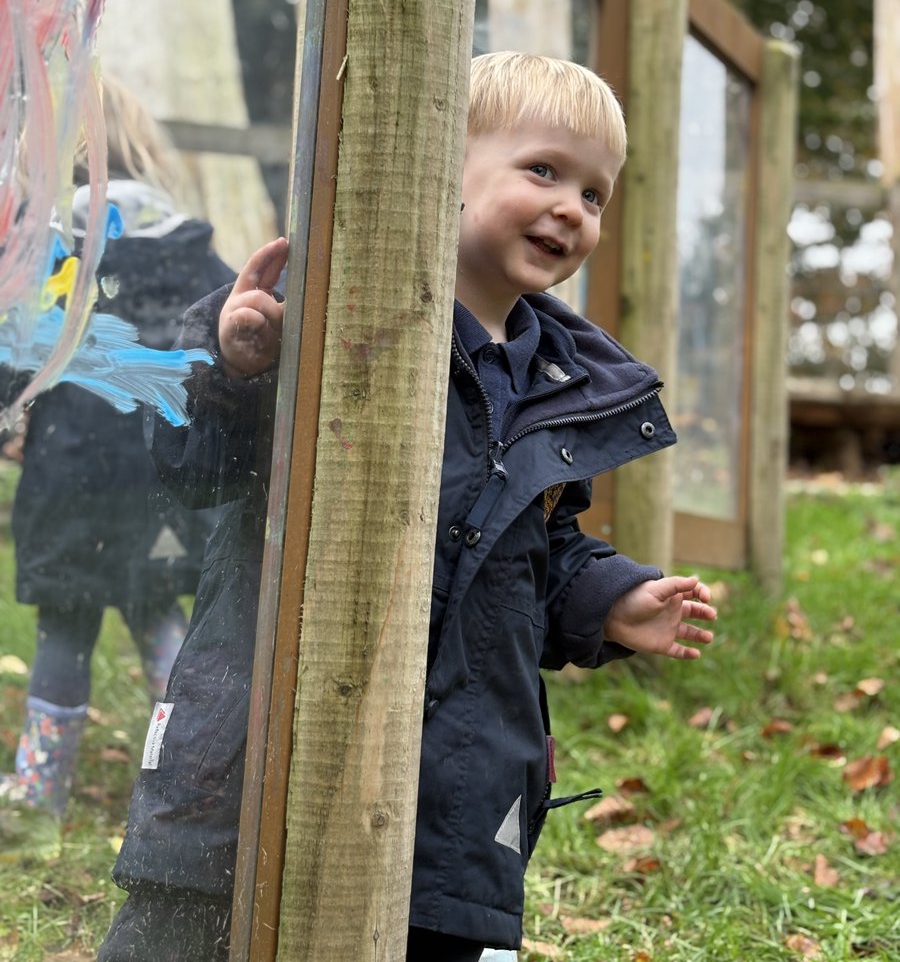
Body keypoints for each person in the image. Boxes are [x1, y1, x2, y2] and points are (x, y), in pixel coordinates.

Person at [99, 52, 716, 961]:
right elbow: (195, 472)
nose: (570, 210)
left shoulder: (562, 385)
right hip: (254, 755)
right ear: (439, 162)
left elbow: (532, 557)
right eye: (542, 170)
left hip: (456, 790)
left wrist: (609, 599)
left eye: (594, 194)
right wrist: (236, 371)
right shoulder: (313, 308)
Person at [0, 78, 234, 863]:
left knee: (66, 626)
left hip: (71, 477)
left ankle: (38, 797)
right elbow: (230, 312)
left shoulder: (49, 244)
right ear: (141, 145)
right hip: (161, 475)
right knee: (160, 619)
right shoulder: (184, 239)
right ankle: (194, 778)